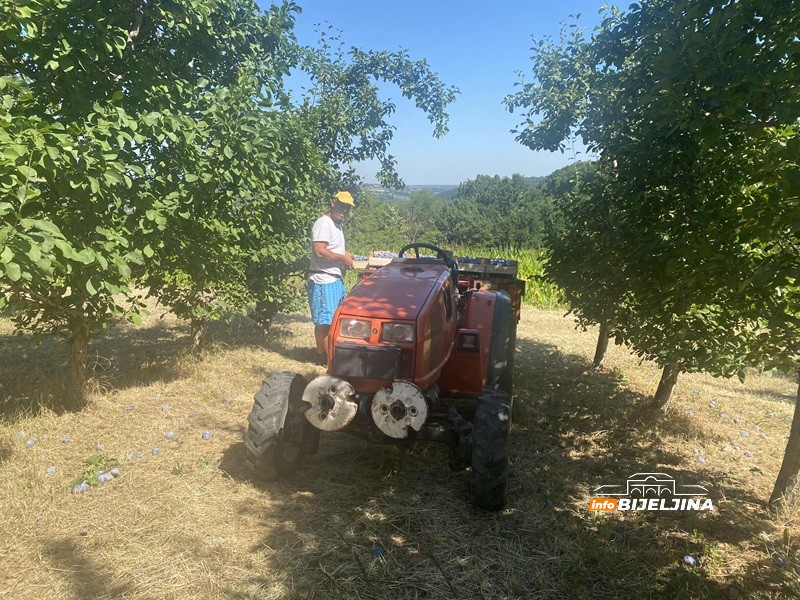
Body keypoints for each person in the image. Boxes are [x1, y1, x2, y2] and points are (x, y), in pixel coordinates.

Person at [307, 191, 355, 363]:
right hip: (323, 280)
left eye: (348, 208)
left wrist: (345, 255)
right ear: (333, 202)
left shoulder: (336, 224)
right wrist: (342, 258)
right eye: (342, 205)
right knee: (325, 322)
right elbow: (319, 251)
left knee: (329, 321)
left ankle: (321, 356)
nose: (345, 210)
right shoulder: (324, 223)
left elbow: (330, 249)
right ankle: (332, 363)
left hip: (333, 279)